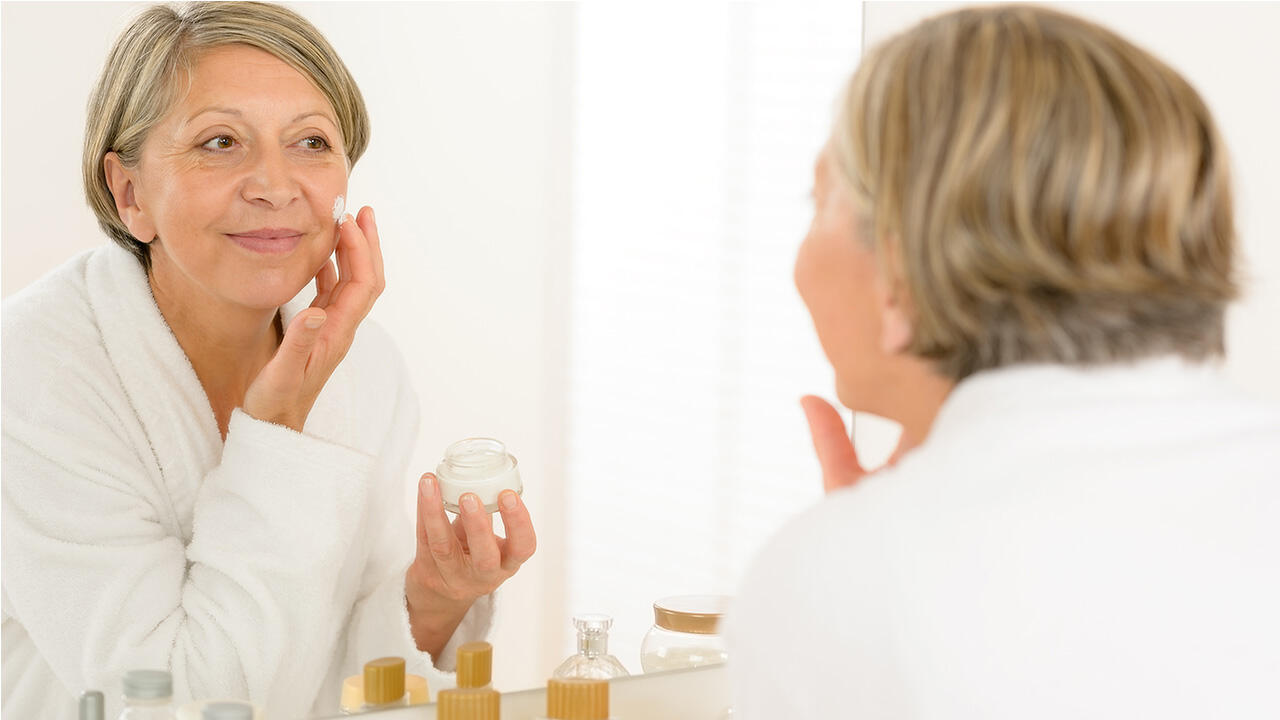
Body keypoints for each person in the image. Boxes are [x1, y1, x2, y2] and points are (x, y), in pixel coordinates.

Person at [727, 5, 1279, 718]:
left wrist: (862, 577)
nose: (799, 263)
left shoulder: (847, 578)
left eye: (819, 200)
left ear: (896, 274)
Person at [1, 3, 536, 718]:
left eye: (311, 142)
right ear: (130, 194)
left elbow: (327, 666)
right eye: (220, 142)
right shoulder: (35, 373)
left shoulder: (366, 368)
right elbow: (175, 700)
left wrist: (433, 600)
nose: (276, 186)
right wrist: (276, 428)